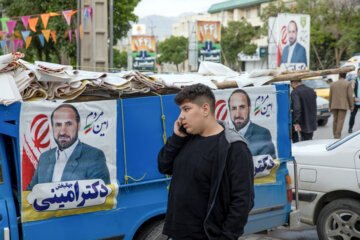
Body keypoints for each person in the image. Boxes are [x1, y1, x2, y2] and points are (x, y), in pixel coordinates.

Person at [158, 84, 254, 240]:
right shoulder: (186, 138)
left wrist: (226, 237)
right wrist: (176, 138)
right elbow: (163, 166)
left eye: (186, 109)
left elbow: (243, 200)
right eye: (181, 110)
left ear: (205, 109)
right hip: (177, 234)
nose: (181, 116)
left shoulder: (234, 147)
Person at [26, 104, 110, 191]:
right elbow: (31, 192)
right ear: (52, 127)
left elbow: (101, 197)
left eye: (69, 124)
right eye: (58, 125)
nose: (62, 132)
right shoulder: (44, 157)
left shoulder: (94, 156)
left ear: (78, 125)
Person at [228, 89, 276, 159]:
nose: (237, 114)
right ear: (229, 111)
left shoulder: (262, 134)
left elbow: (266, 165)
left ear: (249, 108)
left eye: (242, 107)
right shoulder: (226, 135)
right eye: (234, 108)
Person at [329, 72, 354, 138]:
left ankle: (334, 133)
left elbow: (330, 96)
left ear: (339, 75)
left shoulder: (333, 84)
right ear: (345, 76)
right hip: (343, 105)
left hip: (334, 104)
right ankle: (338, 134)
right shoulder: (348, 84)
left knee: (335, 119)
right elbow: (349, 95)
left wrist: (330, 105)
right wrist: (351, 105)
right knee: (340, 120)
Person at [348, 68, 360, 133]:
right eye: (359, 72)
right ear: (357, 73)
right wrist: (354, 98)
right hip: (355, 102)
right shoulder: (354, 80)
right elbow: (351, 90)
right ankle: (350, 128)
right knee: (352, 116)